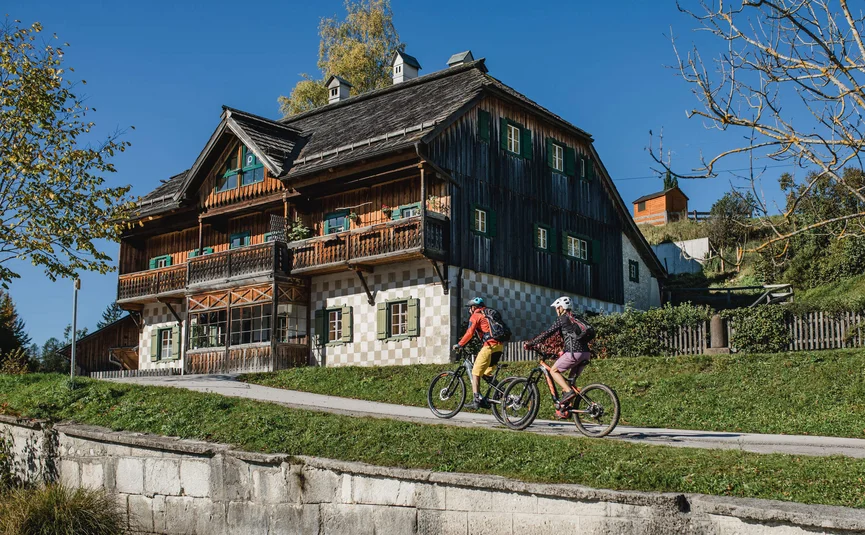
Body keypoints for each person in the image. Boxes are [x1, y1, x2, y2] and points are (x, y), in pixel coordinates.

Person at [524, 296, 593, 409]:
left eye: (556, 308)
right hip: (585, 354)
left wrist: (531, 343)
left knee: (554, 371)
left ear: (561, 308)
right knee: (570, 383)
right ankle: (567, 409)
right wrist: (563, 351)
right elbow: (573, 337)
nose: (556, 310)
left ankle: (568, 392)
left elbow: (548, 333)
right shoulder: (576, 318)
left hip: (574, 353)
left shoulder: (563, 318)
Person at [452, 297, 504, 410]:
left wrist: (460, 344)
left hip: (489, 346)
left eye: (470, 308)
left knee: (475, 372)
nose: (469, 310)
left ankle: (476, 401)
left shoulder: (475, 316)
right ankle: (503, 393)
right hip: (499, 347)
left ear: (474, 307)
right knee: (486, 374)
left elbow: (470, 332)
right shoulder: (488, 314)